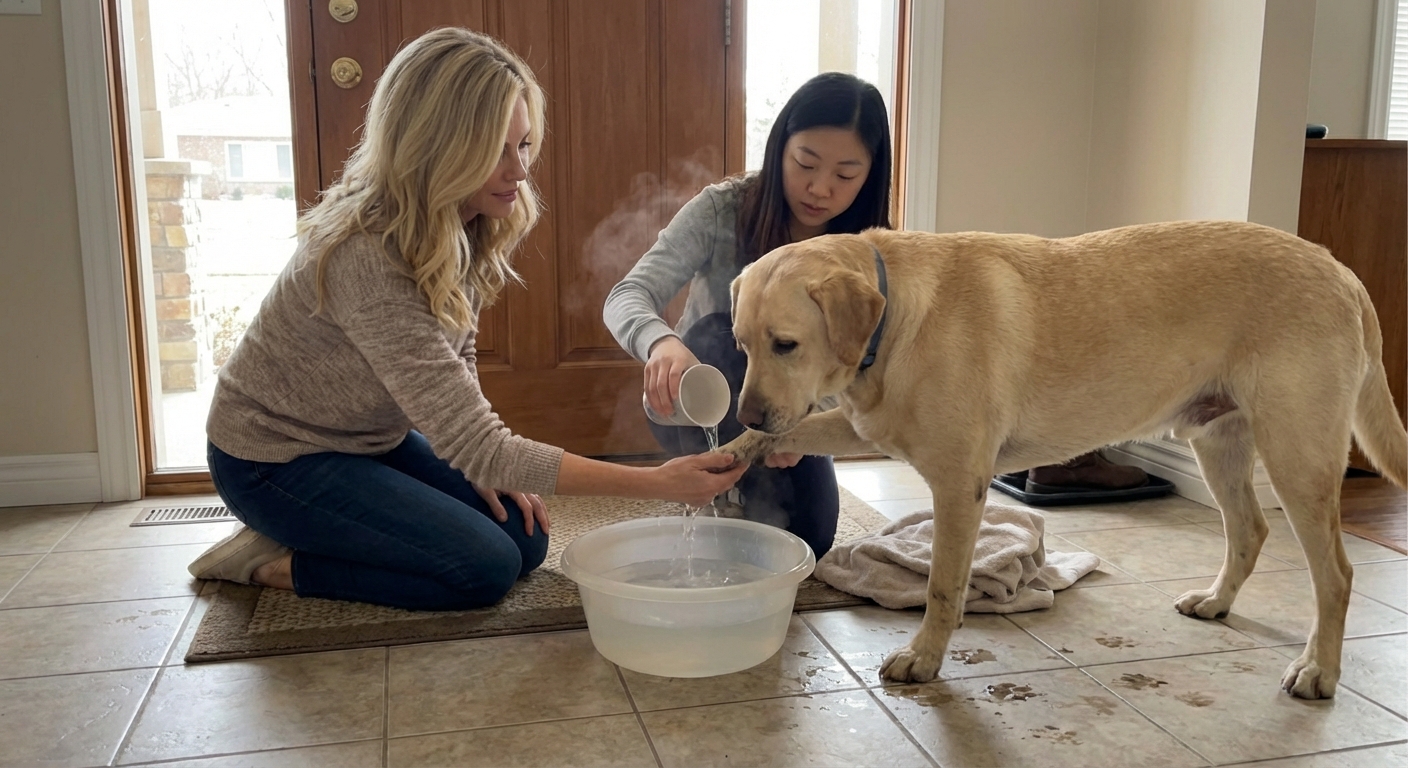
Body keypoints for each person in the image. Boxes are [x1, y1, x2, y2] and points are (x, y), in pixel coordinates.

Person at [188, 28, 746, 612]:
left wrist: (474, 460)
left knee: (525, 541)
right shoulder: (367, 256)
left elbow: (459, 350)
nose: (520, 171)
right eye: (495, 154)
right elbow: (481, 440)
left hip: (370, 440)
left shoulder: (465, 218)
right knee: (482, 569)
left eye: (524, 145)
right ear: (436, 149)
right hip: (274, 459)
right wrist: (658, 483)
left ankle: (341, 528)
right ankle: (273, 561)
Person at [603, 72, 892, 559]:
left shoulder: (867, 252)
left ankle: (743, 492)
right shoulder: (724, 209)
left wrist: (807, 429)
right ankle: (722, 486)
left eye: (845, 174)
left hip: (795, 418)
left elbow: (860, 364)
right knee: (724, 334)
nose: (820, 188)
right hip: (699, 404)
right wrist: (660, 342)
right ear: (780, 146)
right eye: (805, 163)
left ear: (869, 175)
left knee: (811, 540)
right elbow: (628, 293)